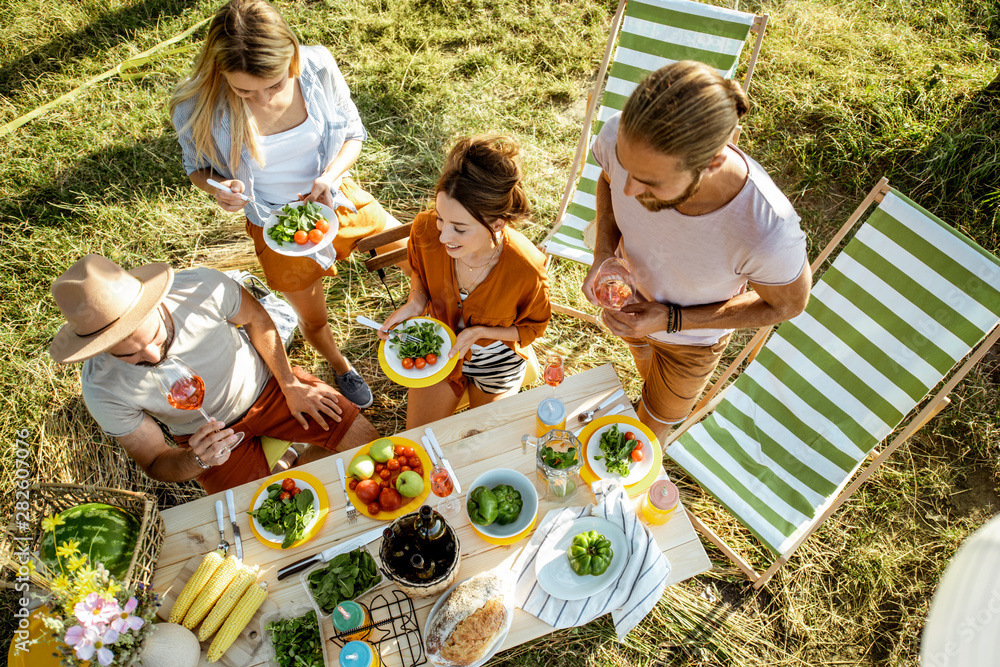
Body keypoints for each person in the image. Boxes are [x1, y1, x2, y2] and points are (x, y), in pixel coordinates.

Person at [169, 0, 403, 410]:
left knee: (413, 250)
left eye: (274, 85)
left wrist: (329, 178)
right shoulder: (194, 105)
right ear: (220, 72)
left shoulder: (317, 66)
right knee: (313, 317)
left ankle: (432, 321)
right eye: (243, 91)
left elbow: (352, 133)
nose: (260, 99)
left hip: (337, 198)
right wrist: (219, 188)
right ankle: (340, 364)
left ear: (291, 57)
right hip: (273, 223)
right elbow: (196, 167)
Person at [582, 61, 811, 439]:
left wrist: (669, 320)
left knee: (647, 433)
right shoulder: (617, 136)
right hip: (627, 302)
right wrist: (604, 252)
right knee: (641, 355)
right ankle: (644, 360)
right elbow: (608, 181)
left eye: (651, 183)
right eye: (628, 167)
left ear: (713, 161)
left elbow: (789, 305)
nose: (630, 191)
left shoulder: (765, 230)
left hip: (691, 342)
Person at [49, 254, 380, 495]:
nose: (151, 356)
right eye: (128, 354)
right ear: (97, 348)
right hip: (203, 437)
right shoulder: (100, 385)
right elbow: (154, 461)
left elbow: (259, 321)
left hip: (271, 388)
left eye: (153, 338)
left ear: (152, 303)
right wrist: (197, 459)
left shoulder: (200, 288)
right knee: (256, 520)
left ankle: (290, 462)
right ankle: (285, 462)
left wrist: (290, 383)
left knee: (370, 451)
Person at [379, 136, 551, 428]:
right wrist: (416, 301)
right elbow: (419, 270)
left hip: (495, 361)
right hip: (439, 353)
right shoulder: (424, 229)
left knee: (481, 442)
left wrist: (481, 332)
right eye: (441, 219)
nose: (444, 237)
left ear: (496, 225)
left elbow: (532, 327)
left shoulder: (527, 268)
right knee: (417, 439)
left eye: (459, 228)